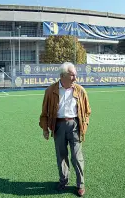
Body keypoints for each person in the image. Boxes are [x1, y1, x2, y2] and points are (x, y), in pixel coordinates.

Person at [39, 62, 91, 197]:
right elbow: (44, 112)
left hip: (75, 125)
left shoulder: (80, 90)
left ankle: (80, 185)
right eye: (72, 75)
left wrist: (84, 124)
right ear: (62, 76)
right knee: (61, 156)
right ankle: (63, 181)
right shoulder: (50, 91)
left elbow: (87, 111)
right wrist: (45, 129)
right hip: (58, 126)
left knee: (76, 156)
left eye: (76, 75)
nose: (75, 78)